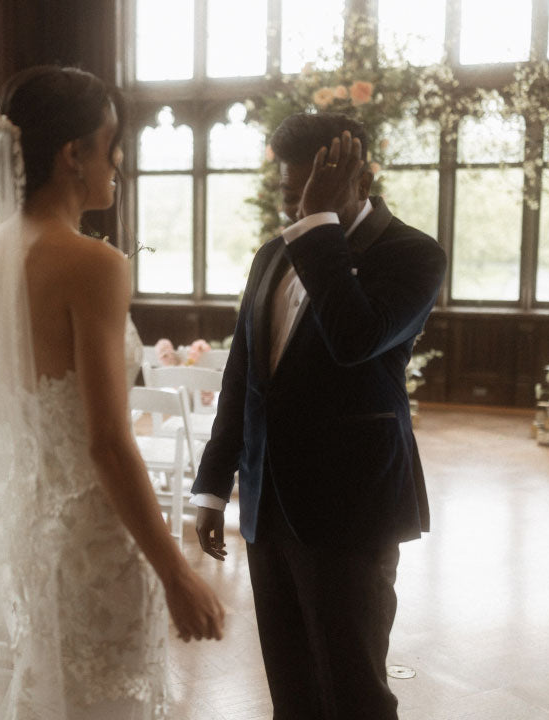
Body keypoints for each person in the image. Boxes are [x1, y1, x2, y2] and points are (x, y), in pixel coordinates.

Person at [0, 66, 225, 719]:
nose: (118, 160)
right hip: (98, 538)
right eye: (111, 143)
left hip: (31, 537)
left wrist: (36, 395)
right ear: (74, 155)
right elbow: (107, 445)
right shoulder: (94, 264)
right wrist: (176, 572)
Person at [191, 112, 447, 719]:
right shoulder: (272, 255)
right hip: (267, 503)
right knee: (292, 688)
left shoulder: (413, 255)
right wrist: (212, 487)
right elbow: (244, 377)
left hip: (350, 508)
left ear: (355, 176)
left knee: (354, 690)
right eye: (289, 193)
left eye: (307, 192)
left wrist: (320, 225)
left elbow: (354, 337)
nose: (294, 205)